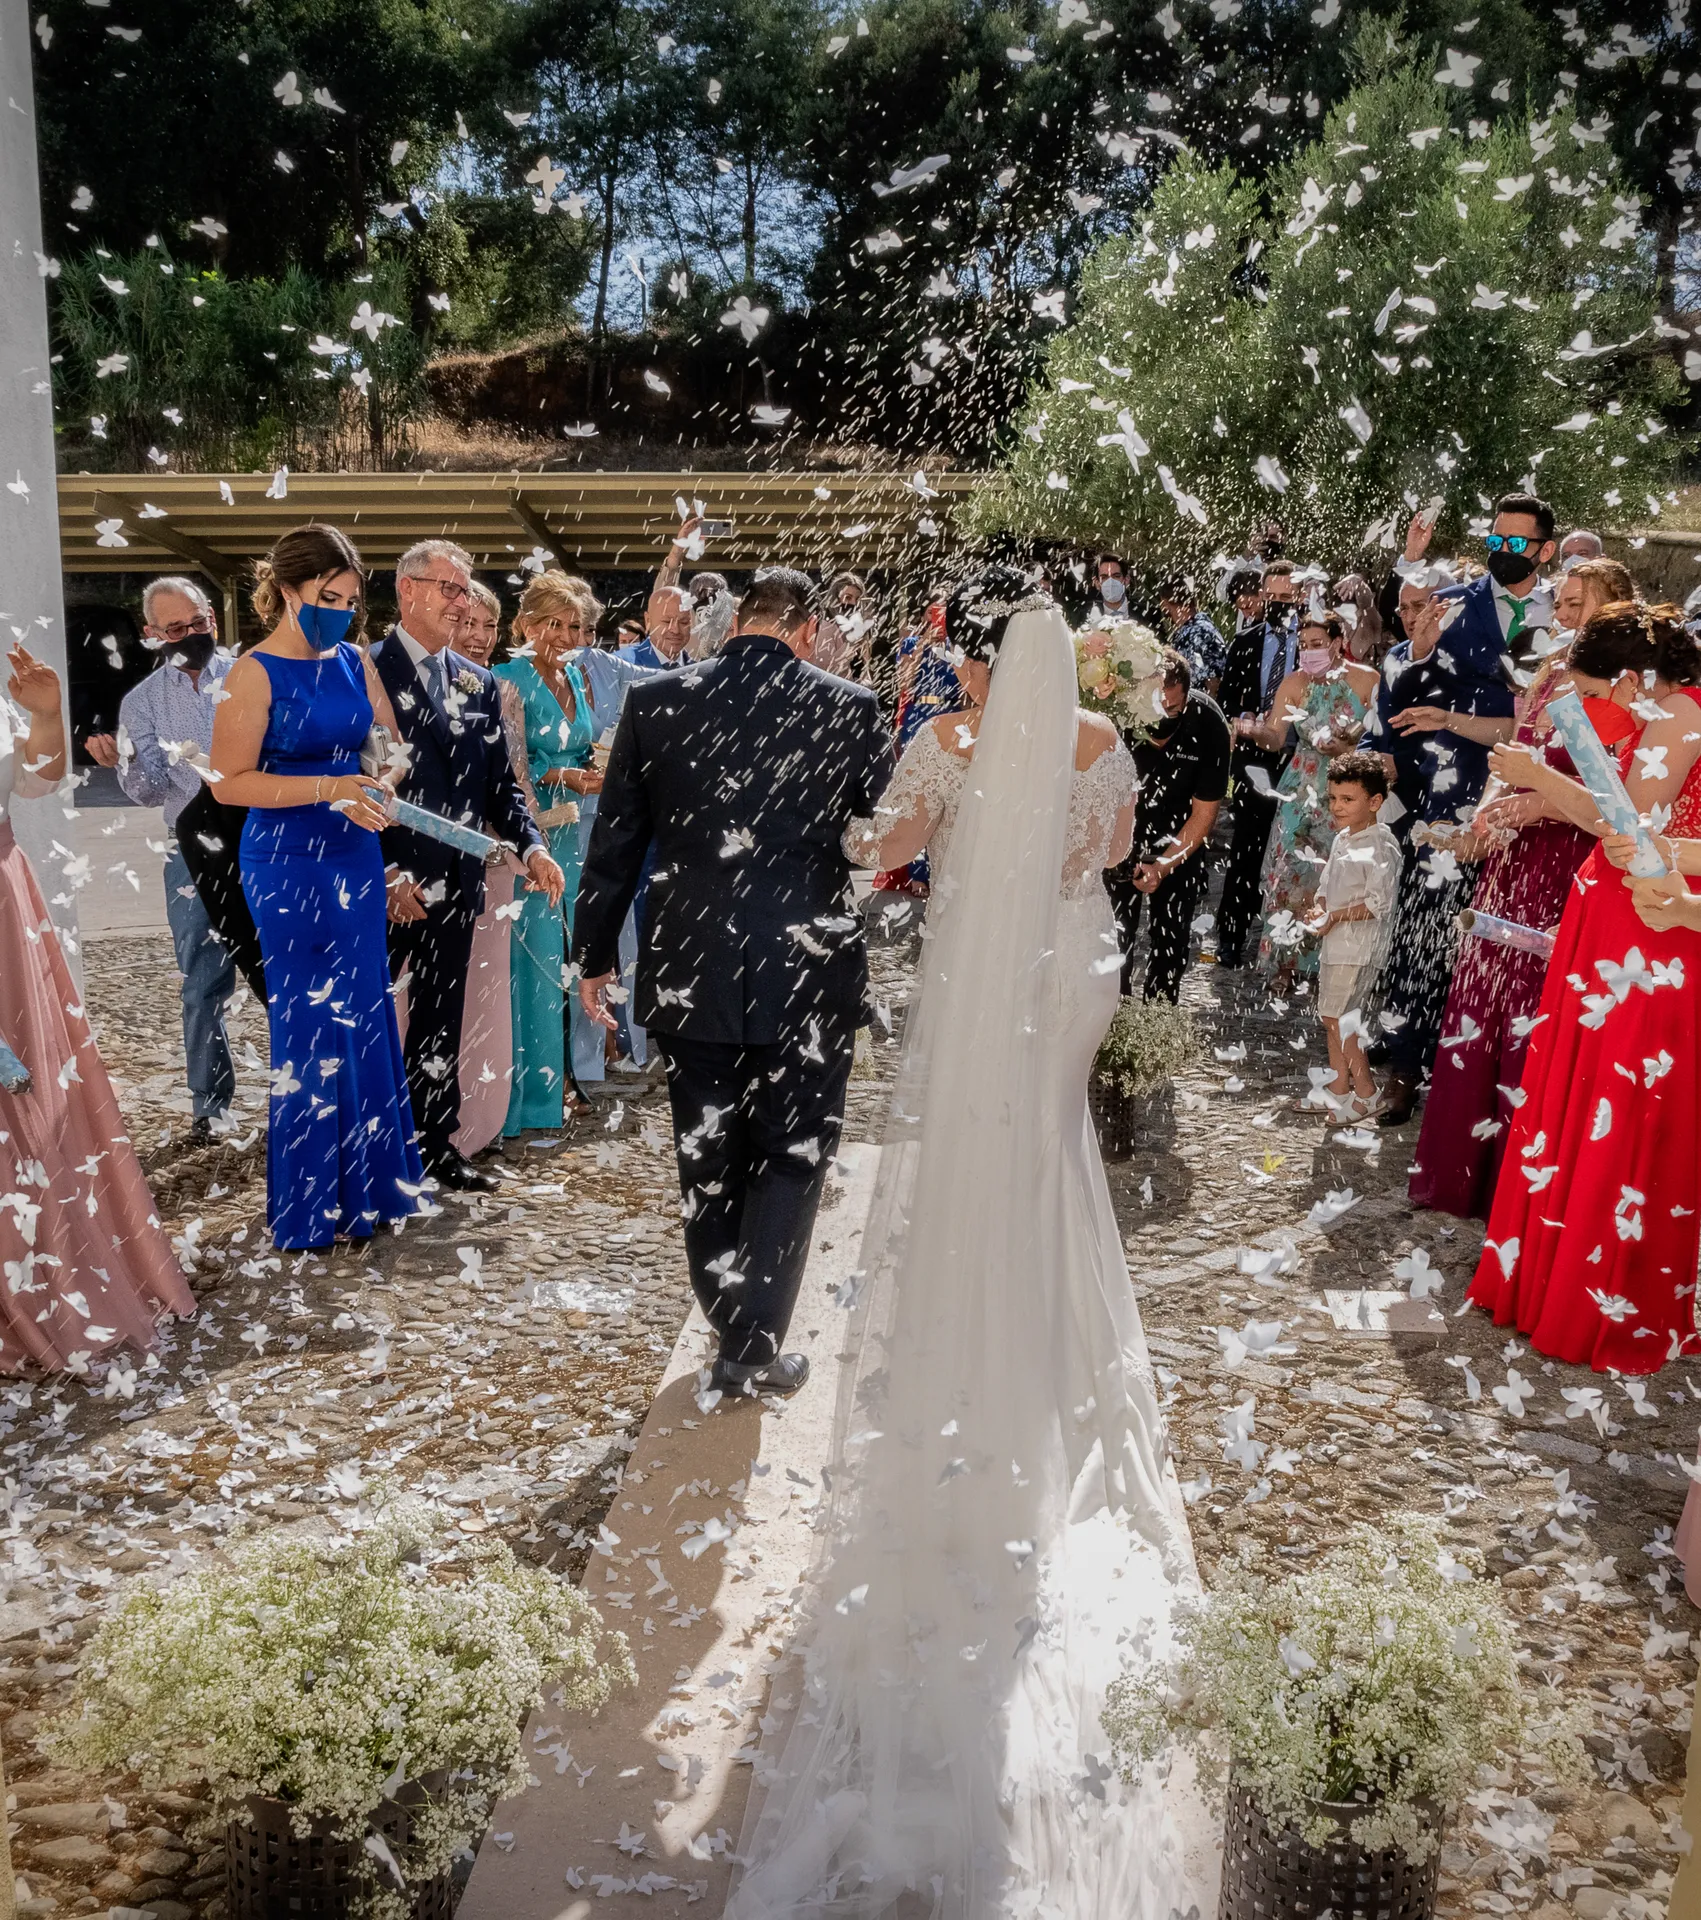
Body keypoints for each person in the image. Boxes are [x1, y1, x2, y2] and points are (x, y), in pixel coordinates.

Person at [726, 574, 1200, 1918]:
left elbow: (878, 847)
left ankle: (980, 1340)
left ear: (982, 663)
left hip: (990, 980)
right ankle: (1054, 1331)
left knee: (980, 1155)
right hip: (1078, 969)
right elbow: (1099, 863)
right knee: (1049, 1148)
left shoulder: (945, 743)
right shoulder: (1105, 749)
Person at [574, 567, 890, 1398]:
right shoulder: (851, 707)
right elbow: (877, 829)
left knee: (706, 1150)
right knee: (792, 1151)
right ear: (809, 627)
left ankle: (729, 1316)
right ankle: (750, 1341)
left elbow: (614, 847)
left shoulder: (655, 701)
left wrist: (594, 958)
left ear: (737, 620)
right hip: (806, 963)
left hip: (691, 961)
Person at [1465, 603, 1701, 1373]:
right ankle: (1547, 1281)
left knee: (1617, 1101)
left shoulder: (1676, 713)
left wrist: (1536, 776)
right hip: (1611, 913)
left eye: (1604, 693)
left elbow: (1628, 826)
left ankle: (1592, 1294)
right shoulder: (1661, 709)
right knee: (1582, 1092)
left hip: (1648, 926)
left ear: (1634, 679)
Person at [211, 526, 425, 1252]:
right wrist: (329, 785)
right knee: (307, 1022)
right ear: (287, 589)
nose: (340, 610)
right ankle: (310, 1204)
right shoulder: (254, 671)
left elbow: (393, 745)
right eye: (327, 597)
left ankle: (372, 1189)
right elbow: (229, 781)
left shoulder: (354, 660)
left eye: (350, 599)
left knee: (364, 1012)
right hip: (285, 858)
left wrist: (384, 783)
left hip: (355, 852)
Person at [1409, 560, 1637, 1217]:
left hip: (1569, 863)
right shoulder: (1548, 670)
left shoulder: (1622, 691)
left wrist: (1537, 804)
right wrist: (1487, 807)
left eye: (1576, 604)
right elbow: (1515, 748)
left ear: (1617, 606)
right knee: (1483, 1003)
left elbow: (1616, 800)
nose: (1562, 616)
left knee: (1537, 1015)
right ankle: (1460, 1174)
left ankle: (1515, 1184)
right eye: (1559, 603)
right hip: (1511, 862)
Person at [0, 640, 194, 1371]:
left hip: (8, 906)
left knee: (31, 1096)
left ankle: (42, 1272)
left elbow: (38, 778)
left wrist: (47, 717)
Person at [370, 540, 564, 1193]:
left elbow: (498, 789)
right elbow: (353, 781)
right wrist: (388, 870)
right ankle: (368, 1151)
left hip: (455, 883)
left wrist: (532, 846)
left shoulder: (478, 684)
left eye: (465, 589)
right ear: (407, 591)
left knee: (439, 1019)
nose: (462, 602)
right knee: (365, 1020)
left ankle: (434, 1145)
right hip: (378, 883)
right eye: (449, 589)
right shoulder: (362, 671)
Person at [1360, 533, 1524, 1126]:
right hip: (1427, 810)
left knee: (1476, 945)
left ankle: (1455, 1067)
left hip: (1505, 806)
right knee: (1418, 933)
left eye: (1422, 605)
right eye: (1403, 608)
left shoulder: (1530, 628)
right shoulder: (1409, 653)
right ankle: (1404, 1062)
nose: (1414, 616)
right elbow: (1393, 717)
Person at [88, 576, 238, 1143]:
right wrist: (123, 760)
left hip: (266, 838)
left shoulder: (253, 675)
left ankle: (303, 1092)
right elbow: (149, 792)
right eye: (176, 629)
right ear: (153, 635)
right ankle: (211, 1108)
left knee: (287, 968)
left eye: (198, 623)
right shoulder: (142, 702)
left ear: (213, 621)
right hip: (191, 852)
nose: (191, 635)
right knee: (202, 982)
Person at [494, 573, 599, 1132]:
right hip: (526, 841)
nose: (562, 635)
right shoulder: (504, 678)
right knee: (528, 963)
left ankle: (559, 1081)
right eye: (551, 623)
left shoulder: (577, 677)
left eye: (574, 625)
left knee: (565, 958)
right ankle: (523, 1101)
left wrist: (591, 772)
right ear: (525, 625)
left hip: (571, 837)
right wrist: (562, 774)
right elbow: (501, 770)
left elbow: (580, 743)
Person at [1244, 611, 1379, 986]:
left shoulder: (1367, 680)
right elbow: (1275, 737)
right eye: (1303, 646)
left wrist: (1348, 746)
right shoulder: (1294, 682)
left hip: (1349, 785)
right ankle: (1284, 964)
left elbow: (1378, 736)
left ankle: (1327, 966)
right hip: (1302, 784)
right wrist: (1255, 731)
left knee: (1337, 873)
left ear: (1338, 642)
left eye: (1317, 645)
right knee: (1290, 870)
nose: (1308, 653)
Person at [438, 581, 523, 1157]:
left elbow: (506, 782)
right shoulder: (389, 676)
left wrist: (527, 848)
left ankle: (479, 1118)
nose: (479, 637)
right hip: (426, 865)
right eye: (468, 623)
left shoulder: (495, 688)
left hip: (494, 860)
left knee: (485, 997)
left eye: (489, 626)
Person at [1106, 649, 1230, 1002]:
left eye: (1172, 709)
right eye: (1155, 708)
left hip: (1179, 832)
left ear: (1188, 696)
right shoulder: (1121, 716)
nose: (1163, 717)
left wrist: (1163, 865)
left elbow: (1204, 814)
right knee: (1113, 937)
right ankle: (1111, 1017)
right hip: (1122, 829)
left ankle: (1159, 1019)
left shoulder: (1209, 725)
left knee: (1170, 939)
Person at [1300, 754, 1401, 1119]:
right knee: (1330, 1015)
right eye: (1333, 798)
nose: (1337, 807)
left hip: (1359, 948)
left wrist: (1335, 916)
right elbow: (1327, 885)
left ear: (1375, 802)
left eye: (1348, 800)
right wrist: (1320, 907)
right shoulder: (1344, 838)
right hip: (1336, 944)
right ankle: (1339, 1086)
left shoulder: (1381, 846)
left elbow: (1378, 903)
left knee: (1342, 1019)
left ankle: (1367, 1091)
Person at [1215, 561, 1297, 966]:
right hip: (1254, 760)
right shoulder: (1245, 642)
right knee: (1248, 846)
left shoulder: (1316, 644)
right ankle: (1232, 933)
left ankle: (1289, 942)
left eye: (1287, 597)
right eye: (1274, 597)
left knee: (1297, 851)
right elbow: (1227, 701)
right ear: (1262, 597)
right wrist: (1245, 720)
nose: (1280, 605)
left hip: (1303, 760)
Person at [1157, 573, 1227, 693]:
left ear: (1165, 603)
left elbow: (1213, 681)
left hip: (1200, 706)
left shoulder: (1196, 633)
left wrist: (1208, 710)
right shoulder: (1201, 627)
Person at [813, 571, 870, 679]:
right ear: (836, 598)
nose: (853, 603)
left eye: (857, 599)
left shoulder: (856, 626)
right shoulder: (826, 626)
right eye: (848, 598)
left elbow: (864, 668)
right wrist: (851, 643)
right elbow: (826, 669)